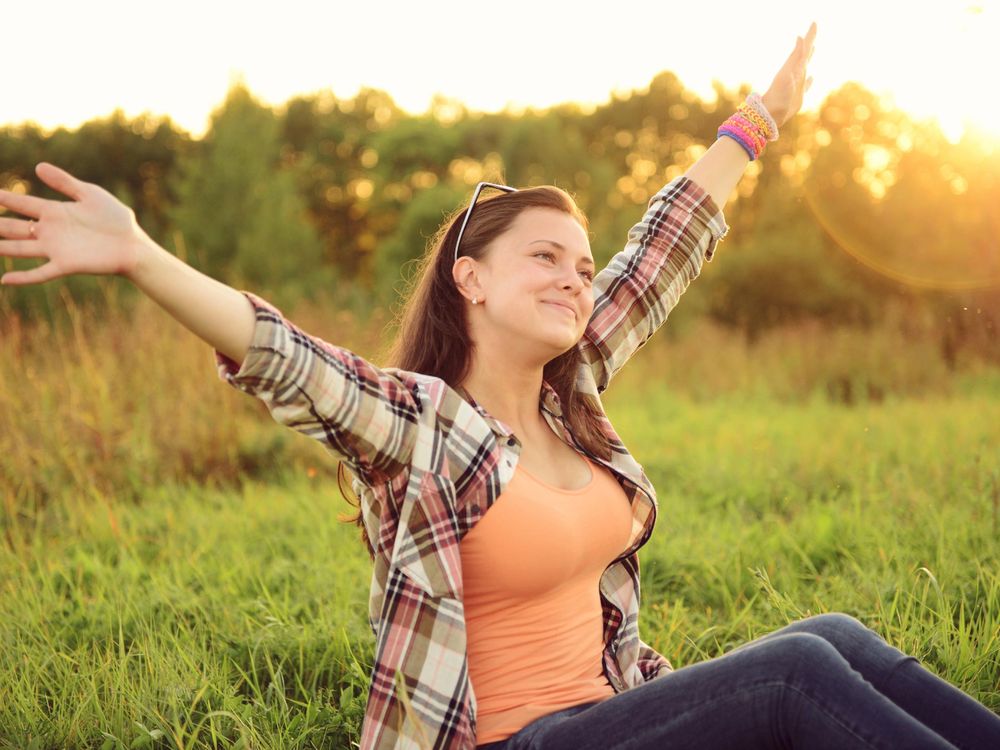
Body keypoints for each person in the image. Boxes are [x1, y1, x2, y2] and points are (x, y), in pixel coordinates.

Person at [2, 20, 998, 750]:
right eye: (545, 257)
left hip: (604, 716)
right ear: (469, 280)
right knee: (793, 675)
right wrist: (139, 257)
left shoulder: (571, 390)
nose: (576, 275)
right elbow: (290, 357)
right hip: (510, 744)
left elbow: (665, 245)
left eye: (581, 261)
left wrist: (756, 122)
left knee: (832, 633)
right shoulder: (428, 427)